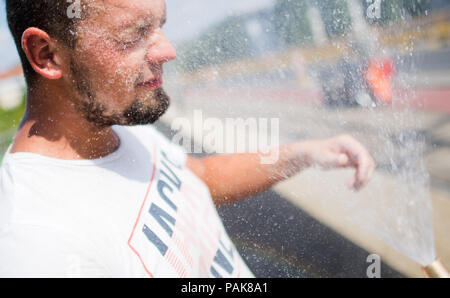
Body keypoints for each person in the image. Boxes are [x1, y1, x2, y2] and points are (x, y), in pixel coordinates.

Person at [0, 0, 375, 277]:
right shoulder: (39, 243)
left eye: (159, 25)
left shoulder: (113, 127)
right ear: (47, 55)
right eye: (134, 35)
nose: (168, 50)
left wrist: (304, 154)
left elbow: (195, 177)